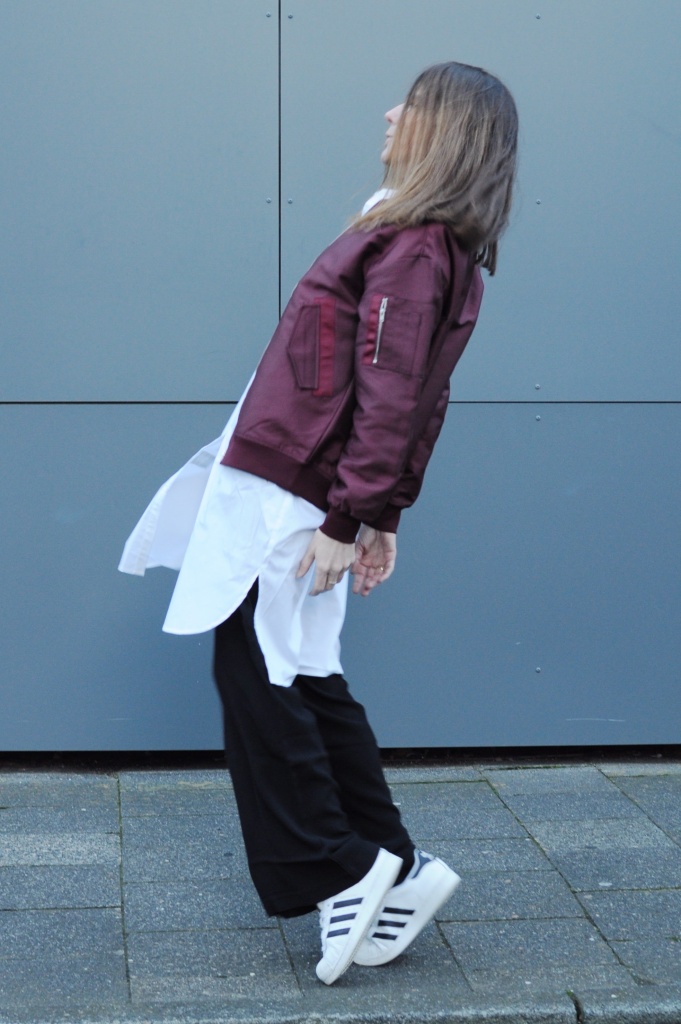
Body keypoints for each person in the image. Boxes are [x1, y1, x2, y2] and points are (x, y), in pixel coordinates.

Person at [120, 60, 518, 985]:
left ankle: (343, 867)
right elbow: (415, 398)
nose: (389, 112)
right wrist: (379, 513)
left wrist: (352, 518)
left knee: (257, 671)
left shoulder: (411, 244)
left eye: (410, 104)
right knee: (301, 669)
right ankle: (398, 867)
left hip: (289, 494)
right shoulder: (433, 245)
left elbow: (396, 398)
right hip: (306, 488)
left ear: (445, 129)